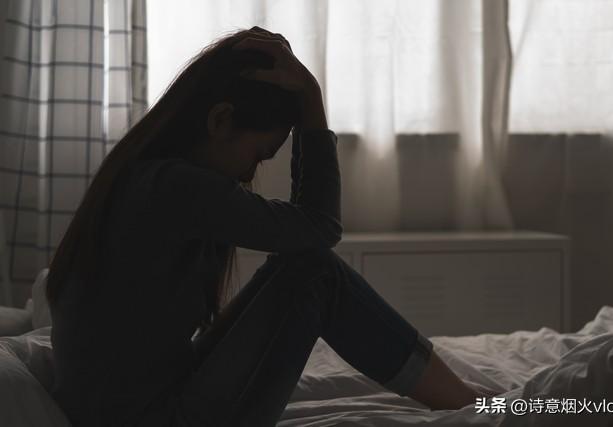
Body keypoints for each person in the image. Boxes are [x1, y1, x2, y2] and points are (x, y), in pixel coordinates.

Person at [46, 26, 501, 427]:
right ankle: (467, 404)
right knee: (315, 272)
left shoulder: (142, 177)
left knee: (301, 267)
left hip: (147, 405)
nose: (250, 174)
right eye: (259, 154)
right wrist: (312, 101)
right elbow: (320, 226)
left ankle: (460, 397)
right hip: (155, 419)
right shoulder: (175, 187)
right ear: (220, 120)